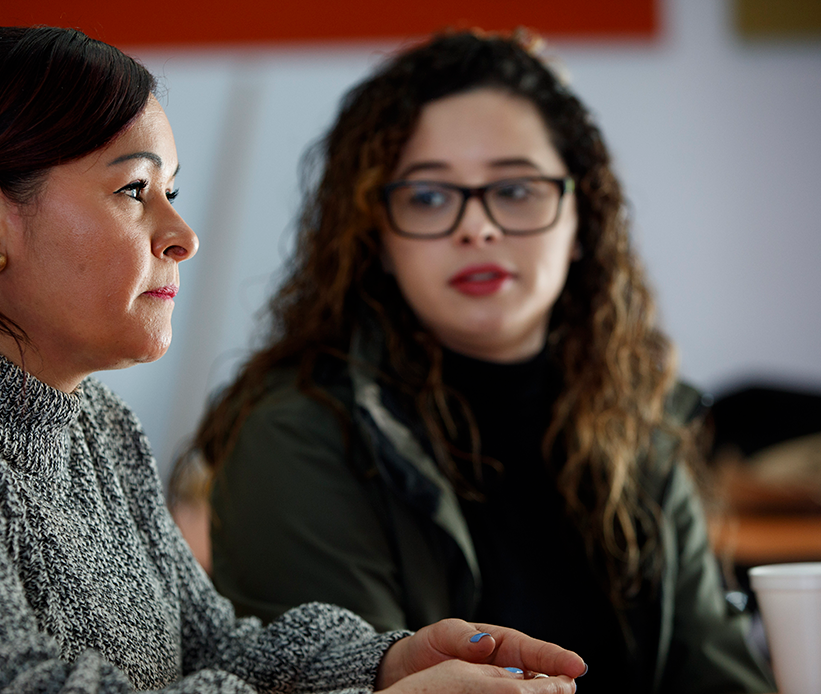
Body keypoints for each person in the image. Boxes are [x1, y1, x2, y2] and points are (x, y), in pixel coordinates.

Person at [0, 25, 588, 694]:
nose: (183, 235)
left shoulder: (95, 423)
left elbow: (210, 646)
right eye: (136, 191)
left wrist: (386, 662)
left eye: (175, 190)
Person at [179, 30, 776, 694]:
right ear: (375, 237)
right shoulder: (296, 433)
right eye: (430, 197)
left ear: (581, 217)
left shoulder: (641, 419)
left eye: (516, 189)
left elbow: (718, 677)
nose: (478, 228)